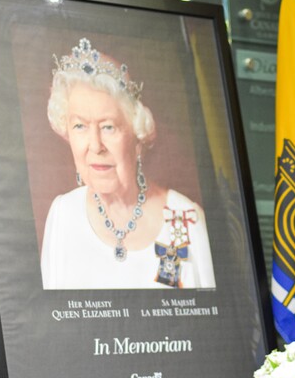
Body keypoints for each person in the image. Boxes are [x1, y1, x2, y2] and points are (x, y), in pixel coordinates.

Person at [41, 38, 216, 290]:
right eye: (79, 126)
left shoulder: (185, 218)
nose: (95, 145)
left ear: (138, 134)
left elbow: (208, 322)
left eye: (108, 126)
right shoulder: (63, 214)